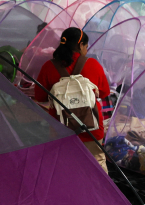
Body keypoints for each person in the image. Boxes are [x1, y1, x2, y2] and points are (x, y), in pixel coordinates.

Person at [33, 26, 111, 169]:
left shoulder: (48, 67)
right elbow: (105, 92)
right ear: (80, 45)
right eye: (86, 46)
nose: (86, 50)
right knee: (96, 165)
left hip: (61, 128)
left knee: (64, 167)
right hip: (91, 128)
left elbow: (40, 96)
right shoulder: (93, 64)